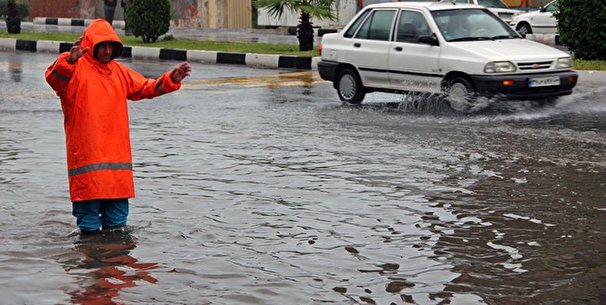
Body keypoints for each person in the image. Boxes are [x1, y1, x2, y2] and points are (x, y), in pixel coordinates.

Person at [45, 19, 191, 235]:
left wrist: (171, 79)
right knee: (89, 229)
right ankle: (95, 265)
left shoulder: (119, 72)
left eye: (110, 46)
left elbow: (146, 87)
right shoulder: (75, 69)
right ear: (90, 45)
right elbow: (54, 79)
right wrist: (69, 59)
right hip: (88, 165)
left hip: (116, 171)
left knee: (117, 228)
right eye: (102, 45)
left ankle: (112, 267)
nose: (106, 50)